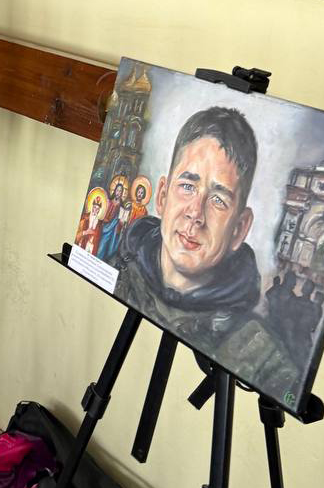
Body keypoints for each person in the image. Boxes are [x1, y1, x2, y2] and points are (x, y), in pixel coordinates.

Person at [116, 106, 303, 405]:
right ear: (162, 196)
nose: (196, 214)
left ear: (239, 228)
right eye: (187, 186)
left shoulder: (261, 356)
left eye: (218, 199)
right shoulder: (118, 272)